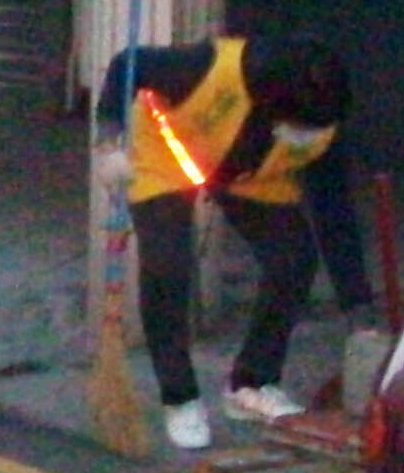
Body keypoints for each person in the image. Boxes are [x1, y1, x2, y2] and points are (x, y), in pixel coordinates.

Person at [97, 33, 372, 451]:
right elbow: (126, 65)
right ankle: (180, 396)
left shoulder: (322, 126)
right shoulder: (207, 67)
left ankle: (252, 384)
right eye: (299, 125)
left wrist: (359, 310)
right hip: (166, 155)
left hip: (252, 175)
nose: (308, 133)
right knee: (168, 264)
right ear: (272, 107)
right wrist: (109, 140)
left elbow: (336, 217)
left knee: (293, 258)